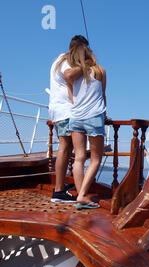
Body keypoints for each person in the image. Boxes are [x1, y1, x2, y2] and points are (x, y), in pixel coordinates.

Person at [62, 45, 107, 209]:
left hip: (76, 117)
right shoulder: (99, 71)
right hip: (94, 117)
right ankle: (82, 196)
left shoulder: (72, 76)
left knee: (79, 158)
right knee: (96, 159)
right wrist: (104, 115)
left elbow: (72, 97)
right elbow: (103, 94)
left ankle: (81, 195)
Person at [49, 35, 89, 203]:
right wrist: (87, 65)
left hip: (59, 111)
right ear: (80, 48)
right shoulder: (66, 61)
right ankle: (58, 191)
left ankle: (60, 187)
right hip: (65, 111)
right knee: (65, 148)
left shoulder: (59, 59)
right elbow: (68, 76)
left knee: (64, 148)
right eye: (86, 50)